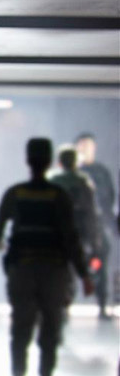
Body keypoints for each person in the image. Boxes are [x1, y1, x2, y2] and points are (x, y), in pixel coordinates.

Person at [0, 138, 95, 376]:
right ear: (49, 162)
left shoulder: (15, 193)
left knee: (20, 334)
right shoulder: (58, 196)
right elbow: (71, 238)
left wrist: (1, 247)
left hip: (22, 272)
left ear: (28, 160)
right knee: (49, 334)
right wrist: (84, 275)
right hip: (53, 273)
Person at [51, 146, 102, 296]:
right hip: (79, 231)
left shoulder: (53, 181)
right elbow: (90, 213)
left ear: (59, 162)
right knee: (77, 262)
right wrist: (95, 240)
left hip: (56, 232)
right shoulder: (83, 182)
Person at [75, 132, 116, 318]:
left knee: (101, 261)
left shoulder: (101, 172)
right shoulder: (72, 172)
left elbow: (109, 198)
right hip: (77, 225)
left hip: (97, 226)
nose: (86, 150)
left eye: (89, 146)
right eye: (82, 146)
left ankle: (102, 305)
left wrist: (108, 223)